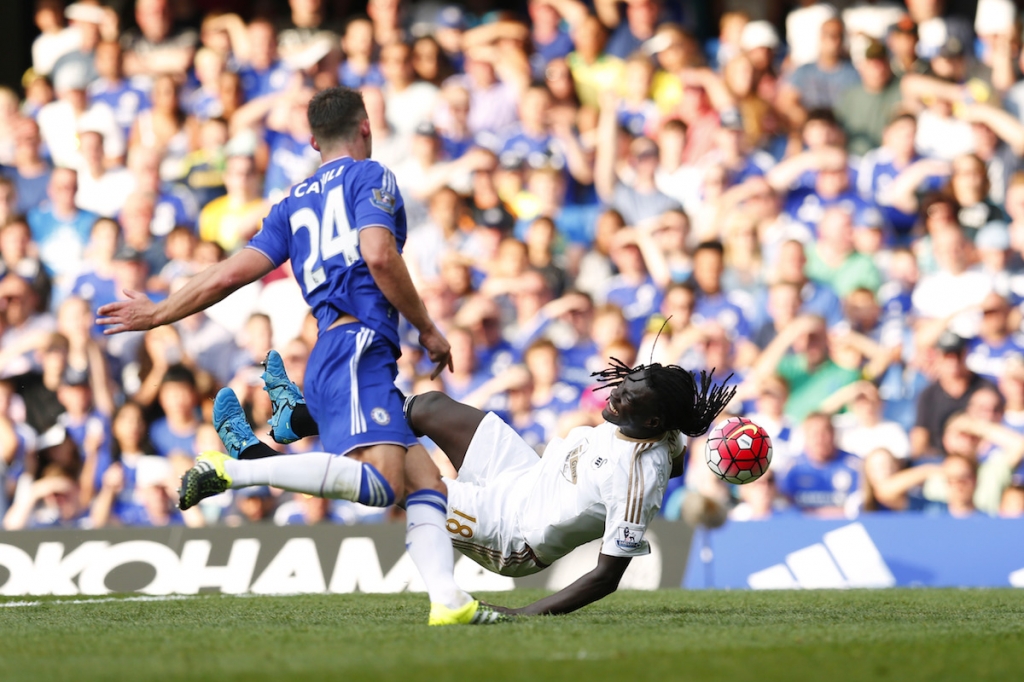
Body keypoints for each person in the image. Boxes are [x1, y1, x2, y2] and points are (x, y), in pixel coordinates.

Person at [96, 86, 500, 627]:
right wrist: (428, 327)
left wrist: (161, 310)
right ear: (364, 128)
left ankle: (448, 602)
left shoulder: (292, 201)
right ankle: (236, 470)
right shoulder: (370, 175)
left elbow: (232, 273)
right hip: (358, 345)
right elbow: (379, 254)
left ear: (312, 140)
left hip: (339, 348)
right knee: (381, 485)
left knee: (424, 480)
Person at [192, 352, 736, 615]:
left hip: (511, 531)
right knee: (427, 406)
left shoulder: (638, 477)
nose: (615, 396)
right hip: (522, 473)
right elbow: (680, 448)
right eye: (625, 383)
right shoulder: (659, 434)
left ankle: (252, 458)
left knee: (395, 475)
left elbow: (607, 577)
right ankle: (299, 420)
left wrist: (525, 615)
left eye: (630, 398)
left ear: (653, 422)